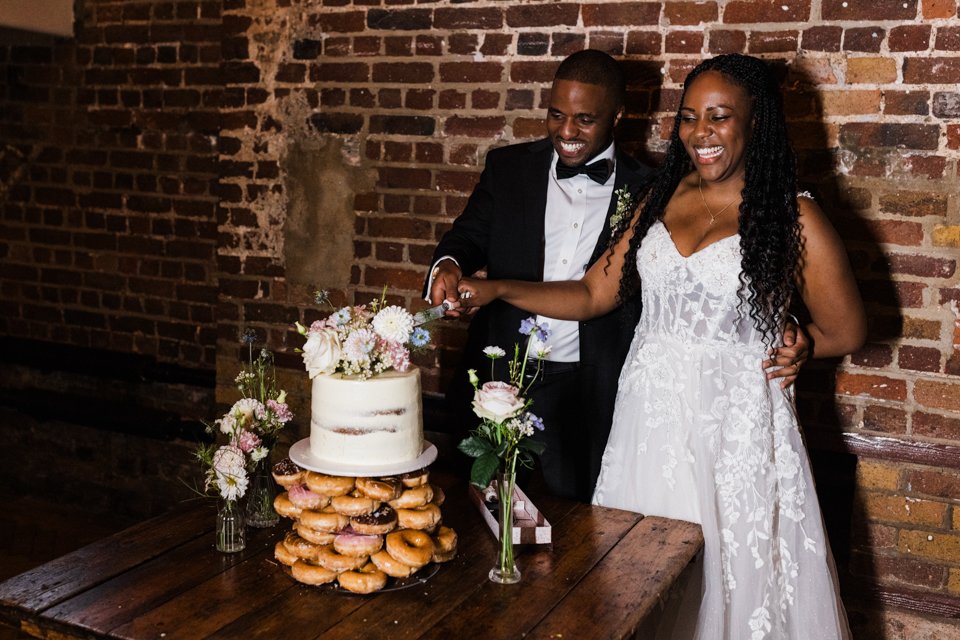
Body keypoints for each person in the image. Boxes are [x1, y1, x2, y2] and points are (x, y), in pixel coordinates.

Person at [457, 54, 864, 639]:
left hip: (735, 429)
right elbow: (594, 292)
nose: (702, 132)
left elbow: (846, 330)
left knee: (728, 582)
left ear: (756, 124)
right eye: (691, 116)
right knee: (636, 578)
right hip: (646, 424)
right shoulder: (658, 199)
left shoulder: (791, 215)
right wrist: (496, 287)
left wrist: (802, 345)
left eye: (720, 117)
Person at [424, 49, 808, 503]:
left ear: (618, 115)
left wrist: (793, 327)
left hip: (596, 390)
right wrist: (449, 266)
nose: (567, 131)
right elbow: (468, 237)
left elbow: (744, 270)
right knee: (483, 520)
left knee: (587, 535)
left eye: (584, 119)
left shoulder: (652, 188)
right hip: (500, 376)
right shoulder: (507, 168)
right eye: (556, 115)